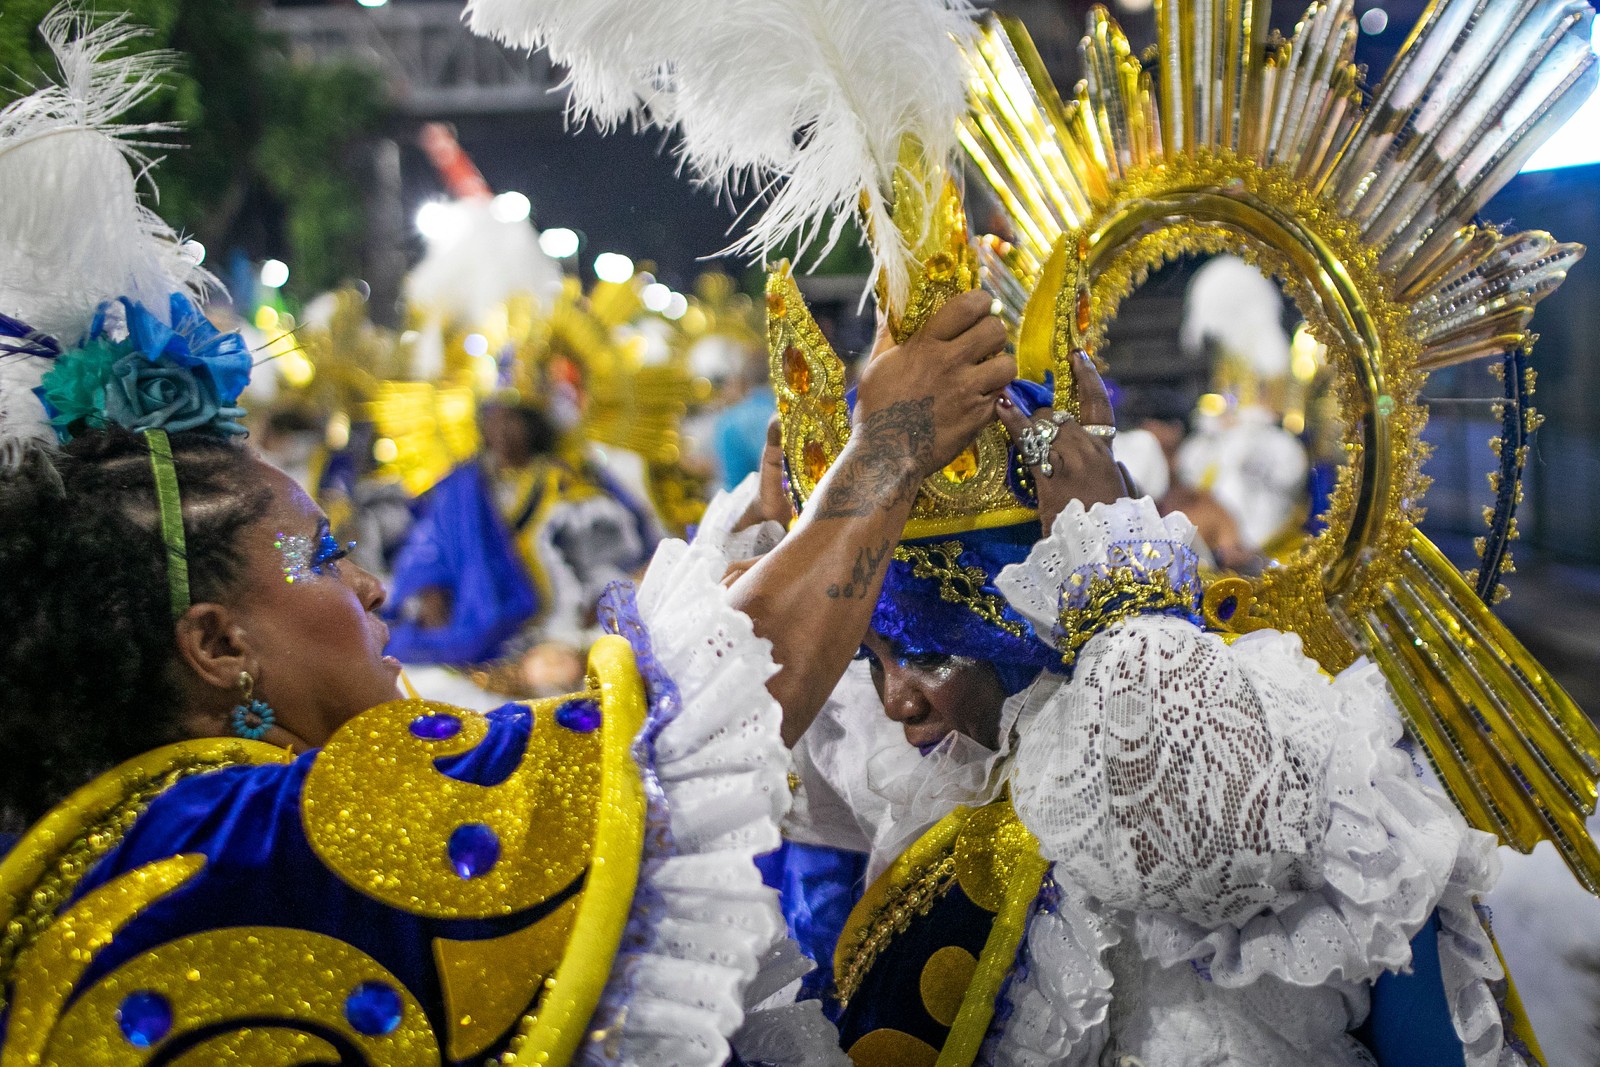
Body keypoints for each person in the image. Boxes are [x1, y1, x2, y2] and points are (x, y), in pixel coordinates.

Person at [716, 340, 1539, 1065]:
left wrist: (1117, 572)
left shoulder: (1239, 746)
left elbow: (1209, 828)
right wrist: (785, 545)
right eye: (870, 660)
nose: (897, 701)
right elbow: (761, 763)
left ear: (1034, 617)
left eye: (930, 653)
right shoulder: (949, 771)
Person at [385, 395, 657, 665]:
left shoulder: (565, 480)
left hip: (559, 627)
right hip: (480, 622)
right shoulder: (463, 487)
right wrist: (429, 587)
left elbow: (605, 551)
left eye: (511, 420)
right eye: (492, 421)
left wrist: (598, 599)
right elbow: (430, 545)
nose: (501, 431)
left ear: (533, 423)